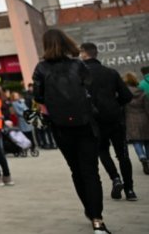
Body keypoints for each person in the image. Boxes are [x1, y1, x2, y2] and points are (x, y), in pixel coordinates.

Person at [33, 29, 109, 233]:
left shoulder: (41, 68)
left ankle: (89, 209)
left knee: (76, 170)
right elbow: (90, 89)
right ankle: (97, 219)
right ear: (67, 43)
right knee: (91, 172)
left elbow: (38, 97)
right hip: (85, 123)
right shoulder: (78, 65)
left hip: (60, 126)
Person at [79, 42, 135, 201]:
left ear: (84, 54)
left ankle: (115, 178)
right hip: (115, 119)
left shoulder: (81, 76)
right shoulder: (111, 72)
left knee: (103, 151)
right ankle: (130, 190)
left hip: (95, 122)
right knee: (123, 154)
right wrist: (114, 104)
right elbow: (127, 96)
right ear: (96, 54)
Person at [122, 72, 149, 176]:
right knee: (147, 141)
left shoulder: (124, 94)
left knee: (136, 141)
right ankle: (148, 158)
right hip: (144, 119)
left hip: (131, 119)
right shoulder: (142, 92)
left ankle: (142, 156)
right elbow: (147, 108)